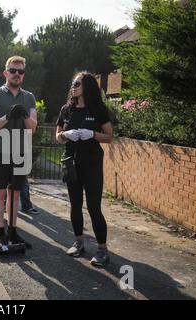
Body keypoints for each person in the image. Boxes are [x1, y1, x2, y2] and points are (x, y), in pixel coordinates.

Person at [55, 71, 113, 267]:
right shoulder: (66, 109)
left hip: (92, 164)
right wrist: (66, 134)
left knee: (94, 207)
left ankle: (102, 250)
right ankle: (78, 242)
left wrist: (92, 134)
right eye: (73, 83)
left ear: (87, 86)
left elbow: (109, 136)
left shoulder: (98, 109)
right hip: (72, 163)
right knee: (75, 205)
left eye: (78, 83)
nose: (74, 86)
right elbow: (57, 135)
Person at [0, 56, 38, 250]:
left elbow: (33, 127)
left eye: (20, 71)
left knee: (15, 194)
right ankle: (0, 234)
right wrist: (8, 116)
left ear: (23, 75)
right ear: (5, 72)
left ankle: (14, 232)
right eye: (13, 70)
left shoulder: (29, 97)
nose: (17, 74)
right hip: (0, 149)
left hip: (21, 149)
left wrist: (24, 114)